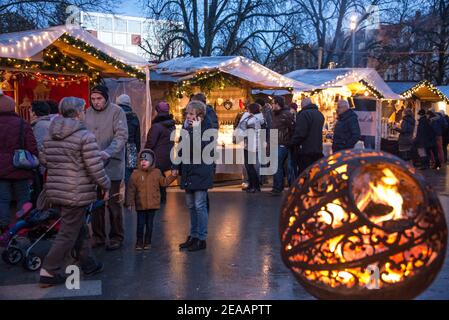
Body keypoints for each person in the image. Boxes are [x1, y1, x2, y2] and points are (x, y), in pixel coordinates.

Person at [39, 97, 110, 287]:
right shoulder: (84, 136)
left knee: (78, 229)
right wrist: (106, 185)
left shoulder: (50, 134)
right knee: (68, 232)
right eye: (84, 110)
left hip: (57, 189)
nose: (85, 113)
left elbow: (45, 159)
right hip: (76, 191)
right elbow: (94, 168)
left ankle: (88, 263)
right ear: (79, 113)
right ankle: (49, 270)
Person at [85, 85, 128, 250]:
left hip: (112, 164)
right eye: (93, 99)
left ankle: (116, 236)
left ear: (106, 97)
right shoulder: (86, 113)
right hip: (93, 165)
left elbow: (121, 135)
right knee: (95, 204)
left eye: (99, 98)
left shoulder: (117, 111)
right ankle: (98, 236)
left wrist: (108, 152)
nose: (96, 102)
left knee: (113, 202)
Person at [173, 100, 214, 252]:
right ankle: (193, 235)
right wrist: (176, 165)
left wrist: (196, 131)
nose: (188, 117)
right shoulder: (187, 128)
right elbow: (181, 148)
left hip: (201, 171)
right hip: (189, 171)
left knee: (199, 205)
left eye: (191, 114)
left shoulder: (207, 129)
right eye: (187, 114)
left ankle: (201, 238)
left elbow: (204, 150)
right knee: (191, 206)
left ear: (200, 116)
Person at [0, 92, 38, 233]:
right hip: (20, 167)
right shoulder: (22, 124)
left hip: (0, 171)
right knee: (23, 198)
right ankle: (22, 227)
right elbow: (32, 146)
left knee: (2, 200)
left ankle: (3, 228)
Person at [125, 149, 177, 250]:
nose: (143, 162)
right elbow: (131, 190)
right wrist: (129, 202)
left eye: (146, 160)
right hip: (140, 205)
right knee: (140, 225)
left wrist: (172, 176)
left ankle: (148, 241)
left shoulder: (157, 172)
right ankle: (139, 242)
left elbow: (164, 182)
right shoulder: (135, 174)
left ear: (152, 161)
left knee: (149, 225)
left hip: (152, 205)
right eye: (141, 160)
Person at [144, 101, 176, 203]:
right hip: (167, 155)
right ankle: (162, 197)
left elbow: (151, 142)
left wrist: (144, 153)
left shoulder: (156, 126)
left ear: (158, 111)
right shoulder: (171, 125)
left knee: (156, 176)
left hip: (157, 156)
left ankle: (158, 198)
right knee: (161, 175)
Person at [235, 103, 265, 193]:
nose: (247, 111)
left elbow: (248, 131)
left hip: (252, 145)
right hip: (249, 144)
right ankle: (252, 185)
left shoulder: (254, 120)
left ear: (251, 110)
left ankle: (255, 186)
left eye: (248, 109)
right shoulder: (255, 118)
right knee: (249, 166)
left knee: (250, 166)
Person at [290, 97, 325, 174]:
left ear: (303, 105)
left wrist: (292, 142)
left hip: (305, 150)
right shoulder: (319, 114)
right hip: (318, 149)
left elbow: (301, 133)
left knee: (304, 173)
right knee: (315, 173)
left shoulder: (304, 114)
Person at [270, 96, 294, 196]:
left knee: (280, 167)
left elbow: (292, 128)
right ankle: (278, 187)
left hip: (283, 144)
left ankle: (278, 188)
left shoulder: (286, 114)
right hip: (276, 143)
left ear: (277, 104)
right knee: (278, 167)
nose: (272, 105)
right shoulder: (275, 114)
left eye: (273, 103)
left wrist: (289, 141)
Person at [116, 94, 141, 186]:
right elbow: (137, 136)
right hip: (131, 147)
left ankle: (116, 196)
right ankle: (129, 198)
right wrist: (137, 150)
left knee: (116, 172)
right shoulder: (134, 116)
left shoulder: (116, 115)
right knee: (129, 174)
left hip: (118, 146)